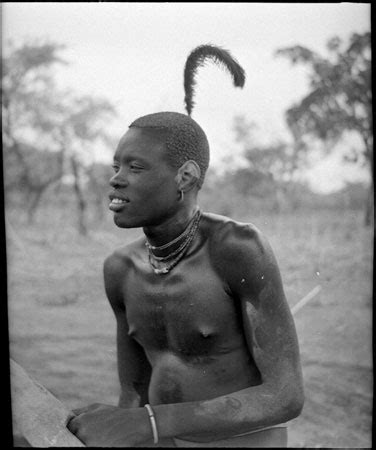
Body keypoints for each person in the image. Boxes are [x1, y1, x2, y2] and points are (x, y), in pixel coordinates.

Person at [67, 45, 304, 447]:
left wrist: (151, 423)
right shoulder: (120, 269)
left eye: (135, 167)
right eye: (116, 166)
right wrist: (116, 422)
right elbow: (134, 395)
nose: (116, 179)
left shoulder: (237, 249)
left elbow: (284, 396)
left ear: (186, 176)